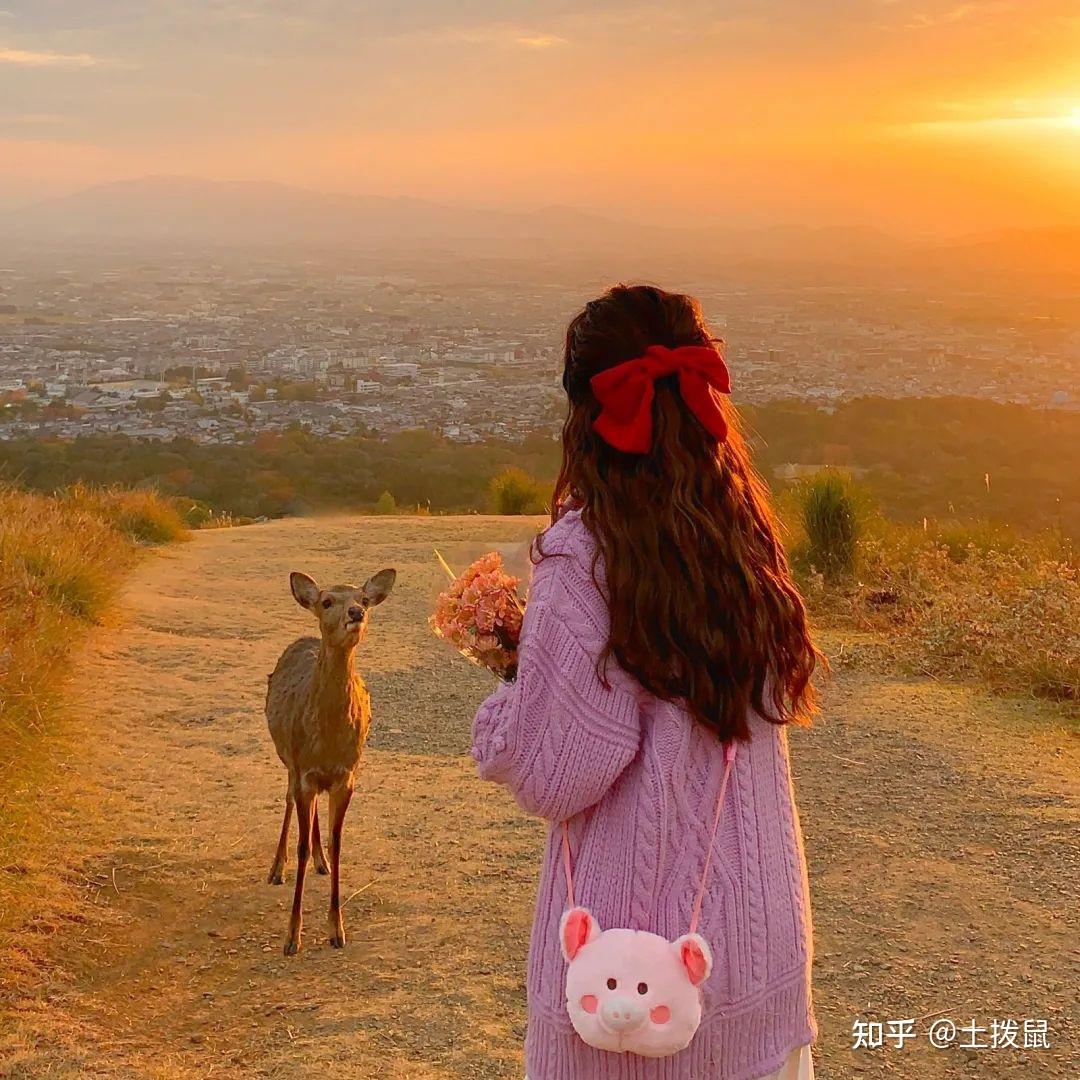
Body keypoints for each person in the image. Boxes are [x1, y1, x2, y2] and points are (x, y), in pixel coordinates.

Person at [472, 283, 821, 1080]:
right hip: (753, 940)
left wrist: (504, 709)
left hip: (631, 964)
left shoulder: (584, 554)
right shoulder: (742, 531)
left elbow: (561, 769)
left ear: (585, 414)